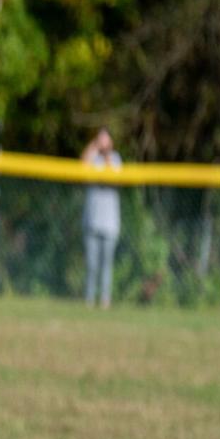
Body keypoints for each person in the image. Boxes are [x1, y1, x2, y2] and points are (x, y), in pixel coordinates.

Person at [81, 128, 123, 307]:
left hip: (110, 223)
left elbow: (113, 174)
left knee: (106, 265)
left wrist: (106, 152)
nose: (103, 143)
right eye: (101, 139)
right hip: (91, 220)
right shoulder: (93, 158)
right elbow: (82, 165)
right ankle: (89, 300)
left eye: (106, 140)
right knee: (91, 264)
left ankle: (105, 300)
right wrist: (94, 146)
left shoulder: (114, 159)